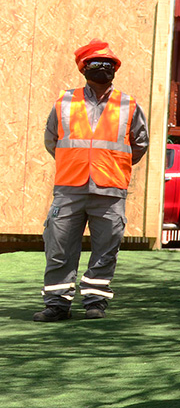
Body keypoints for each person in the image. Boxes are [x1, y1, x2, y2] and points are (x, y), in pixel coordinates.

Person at [34, 41, 150, 321]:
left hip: (110, 190)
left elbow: (140, 144)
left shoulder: (128, 104)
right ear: (84, 68)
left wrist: (113, 165)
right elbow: (52, 140)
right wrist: (74, 163)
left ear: (115, 70)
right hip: (69, 188)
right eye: (97, 63)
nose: (104, 68)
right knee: (59, 247)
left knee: (106, 249)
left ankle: (95, 302)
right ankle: (57, 305)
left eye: (109, 64)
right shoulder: (64, 101)